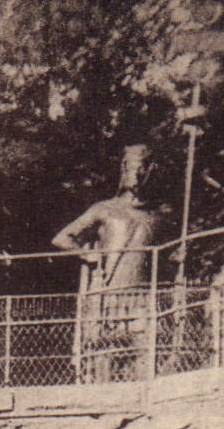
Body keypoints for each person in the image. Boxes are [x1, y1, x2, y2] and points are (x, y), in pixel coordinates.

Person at [52, 144, 160, 381]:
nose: (138, 174)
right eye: (133, 168)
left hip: (141, 294)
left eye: (143, 168)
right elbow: (62, 238)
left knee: (142, 351)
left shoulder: (153, 215)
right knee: (105, 350)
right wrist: (84, 254)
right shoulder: (104, 209)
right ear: (124, 169)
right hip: (109, 292)